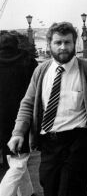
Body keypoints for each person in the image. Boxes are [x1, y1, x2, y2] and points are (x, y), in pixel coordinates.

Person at [7, 22, 87, 196]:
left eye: (67, 42)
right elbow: (27, 103)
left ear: (74, 44)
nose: (63, 47)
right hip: (49, 143)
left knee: (70, 191)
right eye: (58, 43)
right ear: (50, 45)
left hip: (78, 141)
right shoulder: (41, 71)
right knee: (49, 188)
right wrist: (18, 132)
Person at [0, 31, 37, 196]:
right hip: (23, 116)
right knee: (20, 159)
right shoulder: (28, 61)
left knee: (12, 157)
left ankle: (28, 193)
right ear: (16, 44)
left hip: (1, 118)